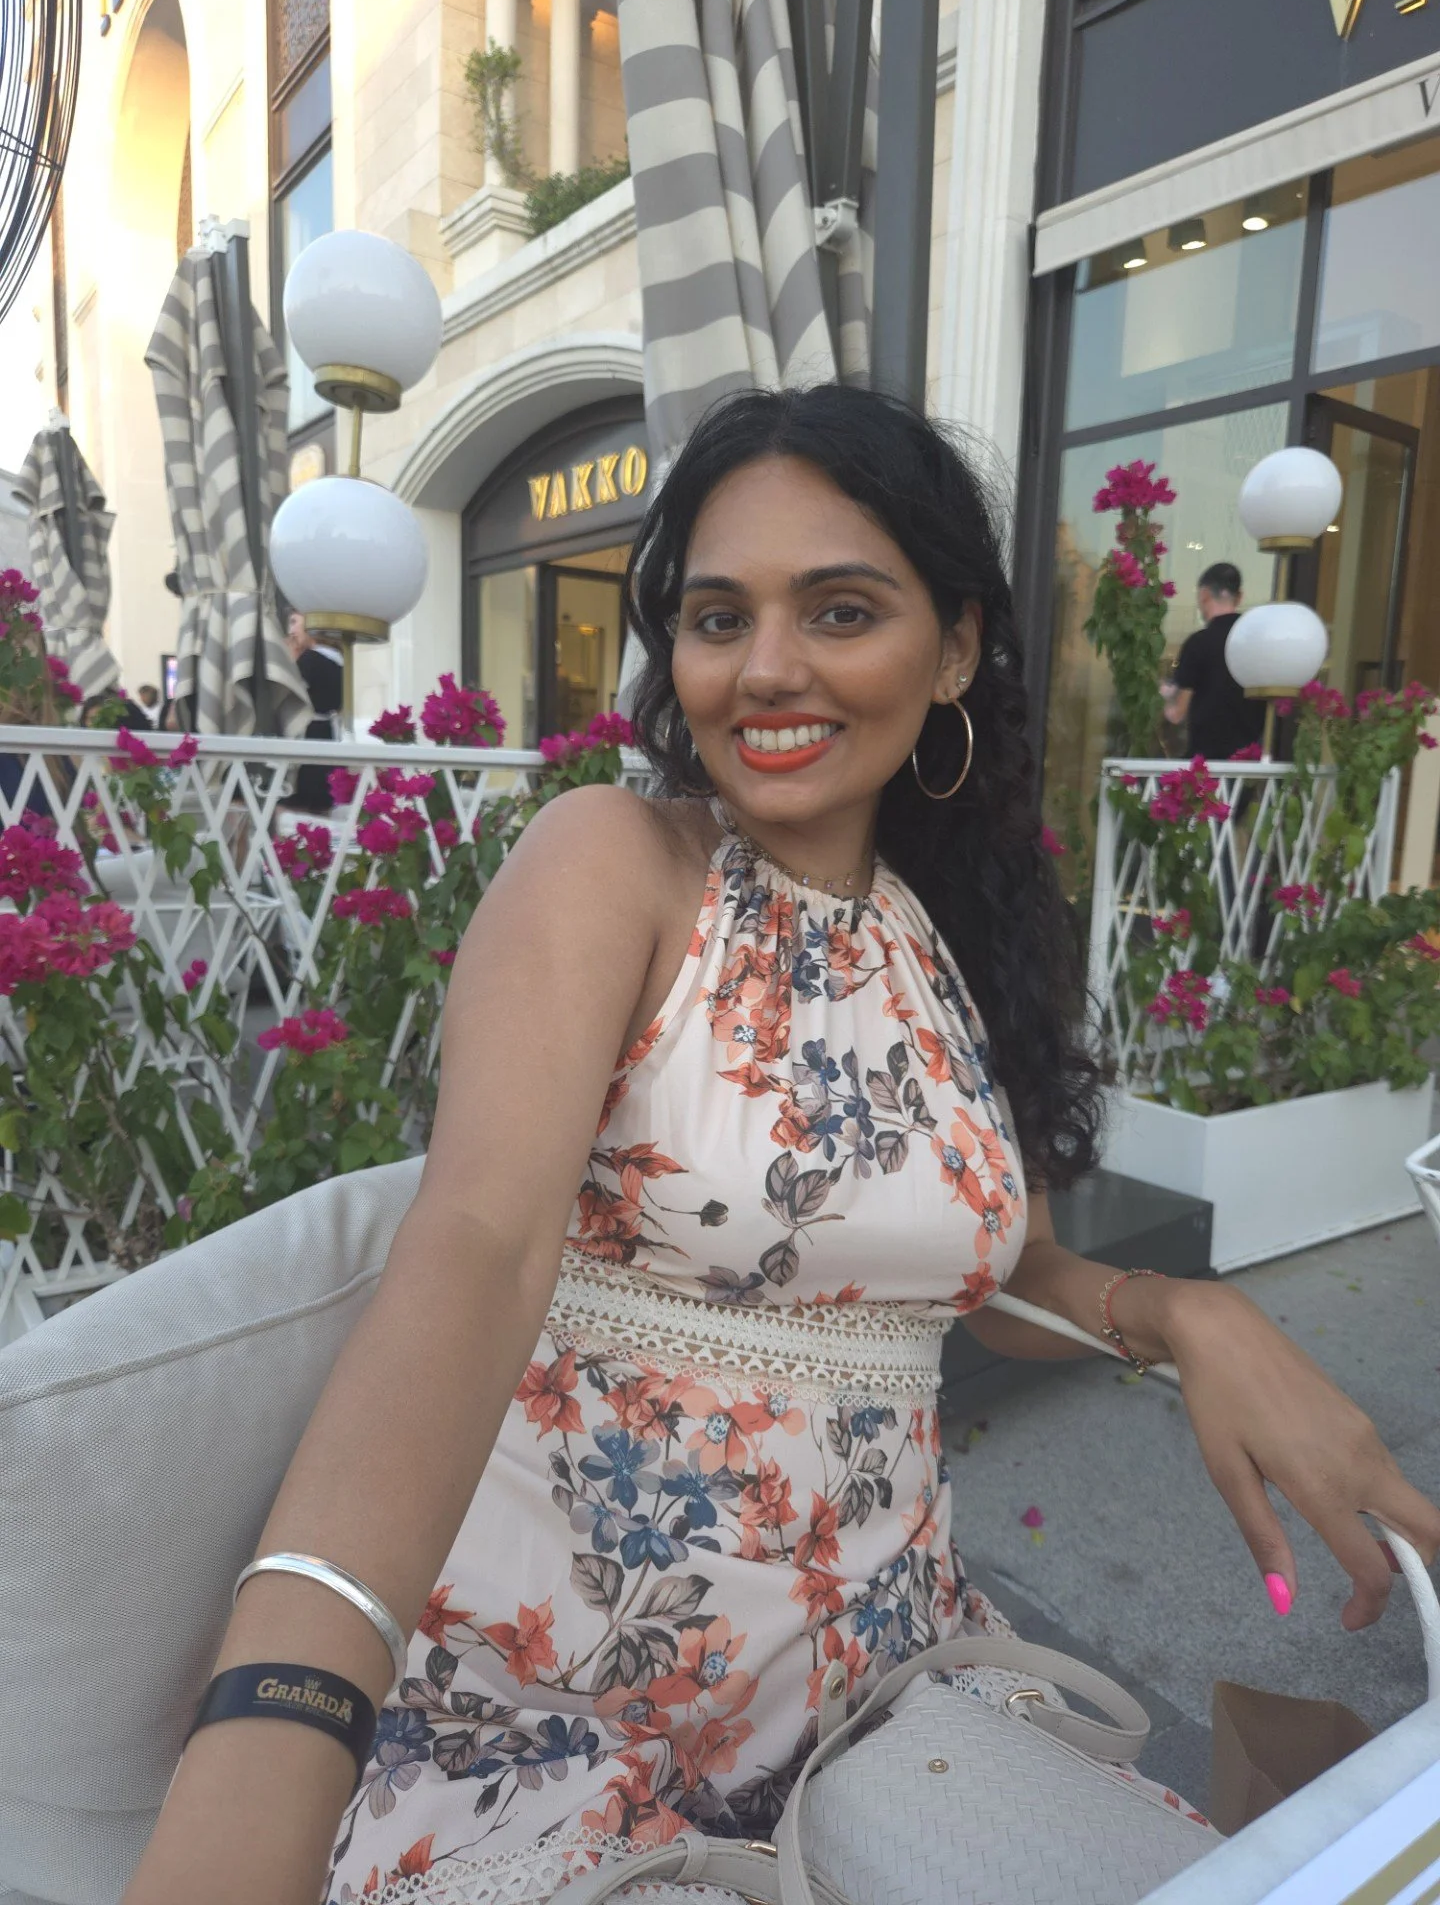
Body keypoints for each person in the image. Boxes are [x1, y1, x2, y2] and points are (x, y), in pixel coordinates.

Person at [123, 389, 1439, 1905]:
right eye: (717, 616)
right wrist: (276, 1732)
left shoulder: (950, 937)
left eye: (840, 609)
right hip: (563, 1714)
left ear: (956, 647)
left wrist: (1183, 1313)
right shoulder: (617, 864)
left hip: (885, 1684)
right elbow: (475, 1250)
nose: (763, 668)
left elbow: (969, 1272)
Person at [1163, 564, 1265, 760]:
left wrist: (1165, 696)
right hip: (1248, 764)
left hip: (1204, 765)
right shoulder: (1258, 643)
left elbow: (1176, 714)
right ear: (1239, 596)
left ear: (1204, 595)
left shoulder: (1198, 643)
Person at [281, 610, 345, 813]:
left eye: (294, 622)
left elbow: (287, 695)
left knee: (299, 805)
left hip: (309, 734)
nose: (291, 631)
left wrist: (290, 661)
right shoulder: (340, 659)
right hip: (329, 734)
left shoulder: (310, 659)